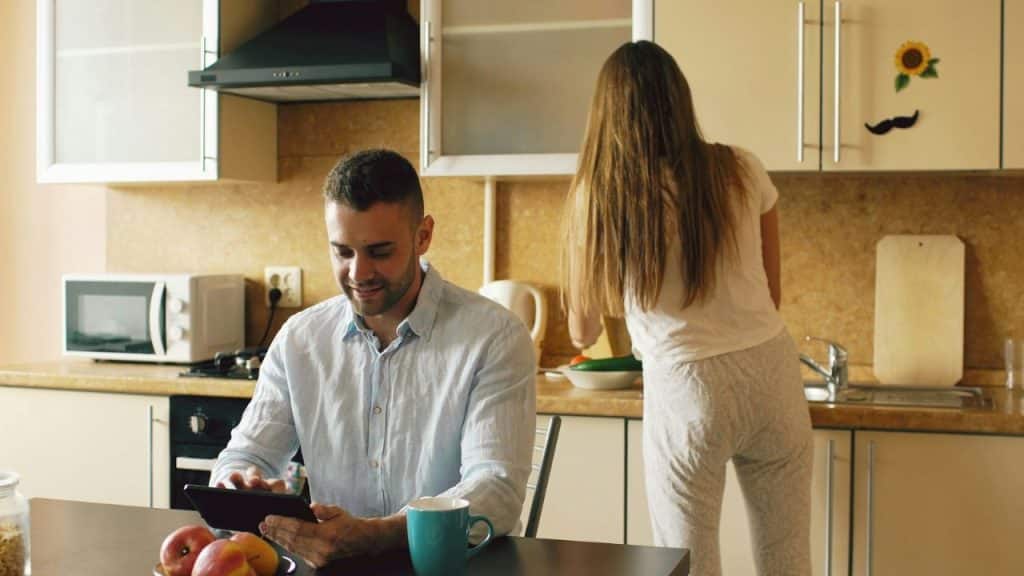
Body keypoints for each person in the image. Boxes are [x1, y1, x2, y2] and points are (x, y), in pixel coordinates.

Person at [211, 149, 537, 568]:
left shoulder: (494, 337)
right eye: (342, 252)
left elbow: (496, 489)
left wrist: (379, 534)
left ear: (423, 236)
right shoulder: (300, 340)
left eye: (379, 252)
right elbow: (244, 456)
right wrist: (239, 484)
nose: (358, 273)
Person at [562, 41, 812, 576]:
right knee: (787, 556)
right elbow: (773, 295)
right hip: (772, 375)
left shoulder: (599, 194)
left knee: (688, 563)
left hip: (688, 388)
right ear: (680, 99)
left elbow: (582, 332)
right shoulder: (741, 167)